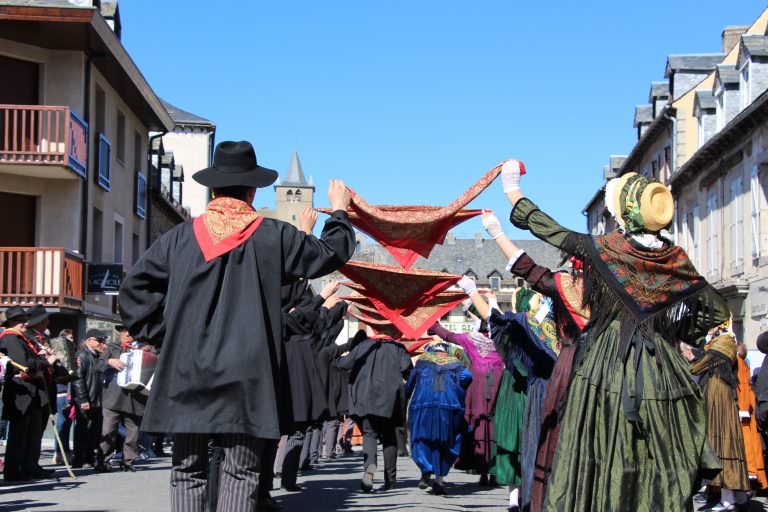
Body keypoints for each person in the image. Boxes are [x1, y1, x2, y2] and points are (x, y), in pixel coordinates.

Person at [118, 140, 355, 512]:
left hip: (188, 369)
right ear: (253, 190)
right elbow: (328, 255)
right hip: (248, 371)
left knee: (187, 470)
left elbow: (133, 292)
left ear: (214, 188)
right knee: (240, 471)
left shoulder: (178, 238)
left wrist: (168, 336)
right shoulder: (273, 235)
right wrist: (339, 212)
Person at [500, 161, 730, 511]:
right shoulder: (675, 259)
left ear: (626, 214)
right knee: (657, 458)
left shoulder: (607, 249)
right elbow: (715, 311)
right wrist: (672, 336)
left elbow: (551, 231)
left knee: (600, 452)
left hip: (608, 366)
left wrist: (513, 193)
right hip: (661, 371)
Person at [480, 210, 588, 512]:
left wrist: (497, 232)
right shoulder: (603, 292)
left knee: (544, 450)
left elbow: (531, 271)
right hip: (592, 380)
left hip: (554, 383)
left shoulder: (563, 293)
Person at [429, 316, 505, 487]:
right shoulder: (502, 342)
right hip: (498, 386)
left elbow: (449, 336)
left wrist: (433, 324)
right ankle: (494, 472)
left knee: (478, 426)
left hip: (478, 387)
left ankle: (483, 471)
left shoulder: (470, 339)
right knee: (495, 427)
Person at [336, 329, 413, 492]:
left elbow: (344, 364)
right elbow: (408, 370)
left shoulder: (363, 346)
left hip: (365, 398)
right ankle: (390, 480)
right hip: (390, 400)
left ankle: (369, 471)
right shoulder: (397, 348)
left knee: (369, 435)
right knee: (389, 438)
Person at [688, 333, 750, 511]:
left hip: (719, 404)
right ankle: (738, 499)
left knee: (723, 450)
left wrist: (697, 351)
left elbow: (697, 367)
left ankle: (729, 500)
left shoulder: (723, 345)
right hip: (720, 401)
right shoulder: (723, 347)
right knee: (727, 450)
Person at [405, 339, 472, 495]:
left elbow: (410, 384)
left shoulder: (422, 361)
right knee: (446, 441)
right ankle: (439, 480)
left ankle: (426, 468)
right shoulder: (456, 362)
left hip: (423, 405)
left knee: (421, 438)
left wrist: (405, 395)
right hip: (449, 406)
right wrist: (458, 389)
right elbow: (467, 376)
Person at [0, 306, 58, 481]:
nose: (25, 323)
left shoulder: (23, 338)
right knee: (19, 434)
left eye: (25, 319)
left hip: (32, 391)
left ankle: (30, 465)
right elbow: (25, 364)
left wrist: (42, 359)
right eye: (20, 320)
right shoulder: (10, 339)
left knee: (32, 432)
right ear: (11, 323)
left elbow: (35, 360)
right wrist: (46, 362)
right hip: (21, 391)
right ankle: (13, 469)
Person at [98, 326, 153, 472]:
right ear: (121, 335)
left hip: (136, 397)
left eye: (130, 333)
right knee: (108, 430)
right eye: (124, 333)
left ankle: (128, 461)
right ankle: (103, 461)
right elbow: (99, 365)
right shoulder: (113, 348)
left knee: (133, 432)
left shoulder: (146, 350)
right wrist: (110, 361)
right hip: (114, 396)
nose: (128, 336)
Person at [72, 329, 107, 469]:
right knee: (83, 429)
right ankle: (79, 458)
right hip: (87, 398)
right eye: (98, 341)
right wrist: (83, 399)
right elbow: (78, 379)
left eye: (102, 341)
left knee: (94, 429)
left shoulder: (97, 356)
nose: (101, 344)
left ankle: (90, 456)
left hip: (97, 398)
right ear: (88, 341)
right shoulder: (82, 355)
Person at [735, 343, 768, 490]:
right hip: (753, 414)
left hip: (749, 416)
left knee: (750, 451)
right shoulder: (744, 367)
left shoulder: (740, 366)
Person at [49, 328, 77, 465]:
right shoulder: (57, 353)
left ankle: (65, 450)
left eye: (72, 338)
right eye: (69, 338)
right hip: (61, 390)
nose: (72, 340)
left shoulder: (72, 353)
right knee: (61, 422)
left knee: (67, 423)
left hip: (70, 390)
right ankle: (58, 452)